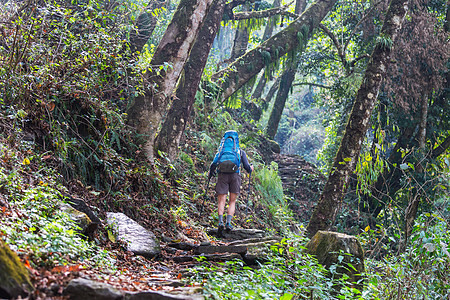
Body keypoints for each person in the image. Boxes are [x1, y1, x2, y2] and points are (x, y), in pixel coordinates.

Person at [208, 131, 253, 233]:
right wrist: (251, 168)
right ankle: (228, 223)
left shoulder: (221, 151)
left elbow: (214, 163)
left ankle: (220, 223)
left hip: (222, 175)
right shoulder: (240, 152)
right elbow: (247, 167)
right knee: (232, 201)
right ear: (236, 140)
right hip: (235, 176)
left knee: (221, 201)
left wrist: (210, 173)